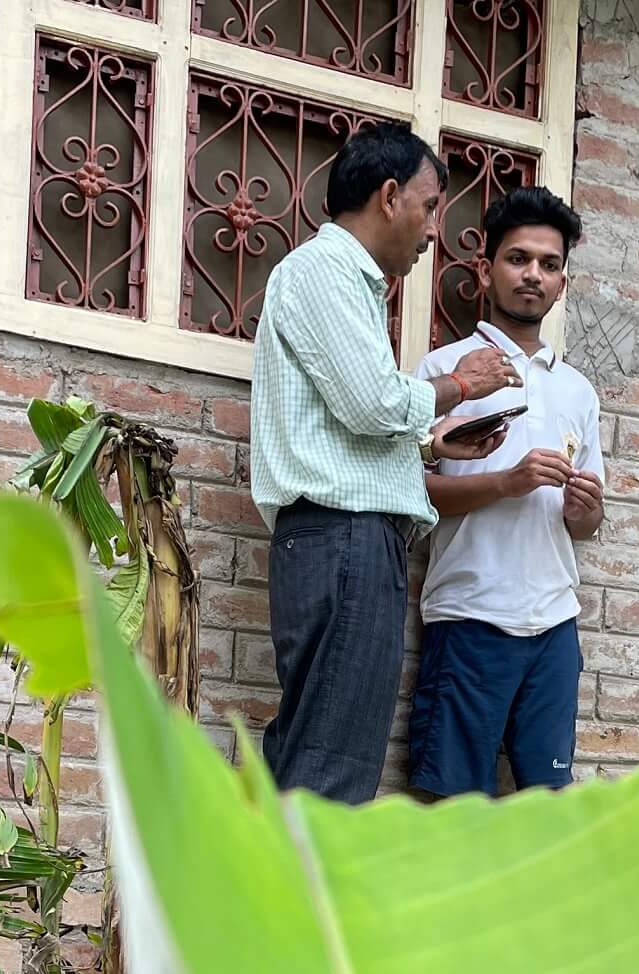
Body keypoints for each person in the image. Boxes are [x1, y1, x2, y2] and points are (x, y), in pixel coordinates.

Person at [250, 124, 521, 802]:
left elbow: (339, 428)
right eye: (429, 208)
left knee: (313, 755)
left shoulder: (342, 280)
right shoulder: (325, 271)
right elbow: (372, 404)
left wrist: (429, 446)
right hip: (345, 539)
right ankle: (301, 879)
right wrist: (461, 384)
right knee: (331, 773)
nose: (434, 231)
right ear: (390, 195)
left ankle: (274, 873)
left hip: (340, 538)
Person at [409, 186, 605, 799]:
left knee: (547, 808)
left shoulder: (578, 391)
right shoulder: (443, 374)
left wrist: (586, 511)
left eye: (549, 264)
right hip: (469, 612)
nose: (533, 275)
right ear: (485, 269)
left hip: (555, 623)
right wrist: (506, 483)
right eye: (518, 259)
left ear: (562, 283)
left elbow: (585, 527)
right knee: (454, 807)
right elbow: (414, 497)